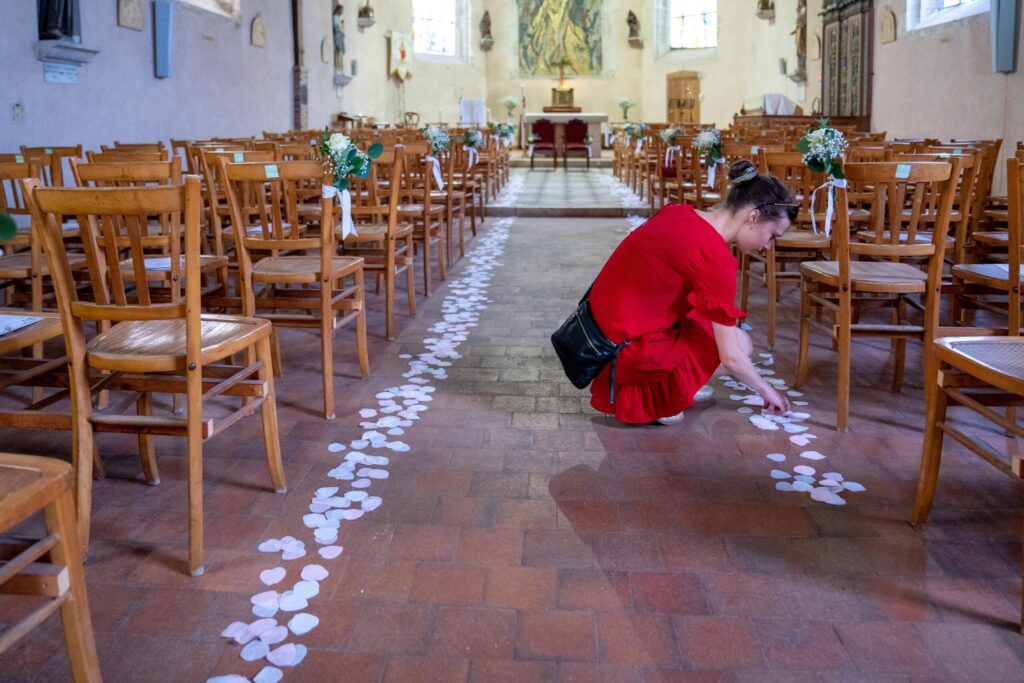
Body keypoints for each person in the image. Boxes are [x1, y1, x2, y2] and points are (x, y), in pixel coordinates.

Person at [588, 160, 797, 425]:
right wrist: (768, 392)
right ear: (753, 217)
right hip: (625, 353)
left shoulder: (679, 213)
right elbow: (731, 358)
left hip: (602, 336)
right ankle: (664, 398)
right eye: (772, 236)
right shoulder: (715, 258)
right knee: (740, 344)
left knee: (712, 325)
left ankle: (677, 384)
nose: (768, 247)